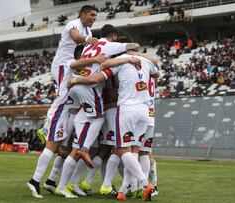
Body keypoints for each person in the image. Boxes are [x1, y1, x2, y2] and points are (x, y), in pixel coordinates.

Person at [54, 24, 140, 198]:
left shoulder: (90, 44)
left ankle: (68, 180)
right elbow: (134, 46)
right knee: (99, 122)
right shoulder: (109, 47)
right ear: (113, 36)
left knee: (80, 143)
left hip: (78, 90)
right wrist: (129, 56)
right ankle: (83, 153)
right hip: (89, 88)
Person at [27, 5, 100, 199]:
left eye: (95, 16)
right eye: (91, 15)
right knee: (63, 94)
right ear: (83, 14)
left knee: (62, 140)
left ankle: (50, 180)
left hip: (70, 76)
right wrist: (90, 44)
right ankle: (45, 127)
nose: (93, 18)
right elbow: (77, 38)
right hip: (62, 65)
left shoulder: (89, 30)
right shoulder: (74, 25)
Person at [67, 50, 159, 201]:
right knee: (136, 150)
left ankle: (143, 184)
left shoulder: (119, 63)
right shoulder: (146, 62)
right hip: (146, 110)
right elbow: (157, 74)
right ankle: (127, 188)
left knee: (120, 151)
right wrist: (136, 58)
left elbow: (98, 73)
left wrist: (75, 80)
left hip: (126, 109)